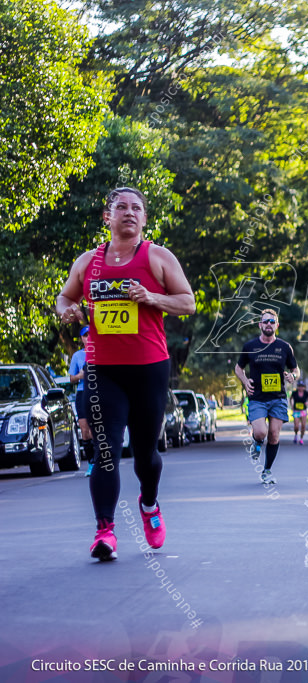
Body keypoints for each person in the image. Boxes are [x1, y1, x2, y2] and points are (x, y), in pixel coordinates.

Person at [56, 187, 196, 561]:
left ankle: (149, 504)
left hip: (149, 368)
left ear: (145, 218)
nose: (129, 213)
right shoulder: (88, 262)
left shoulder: (158, 257)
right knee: (106, 451)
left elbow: (187, 302)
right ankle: (105, 532)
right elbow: (64, 298)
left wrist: (152, 298)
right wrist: (68, 311)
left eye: (137, 208)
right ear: (108, 217)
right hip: (103, 369)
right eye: (121, 207)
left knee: (146, 454)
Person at [234, 309, 299, 484]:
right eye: (265, 321)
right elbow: (238, 368)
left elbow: (295, 369)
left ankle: (267, 470)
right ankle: (256, 443)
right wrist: (245, 381)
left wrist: (293, 377)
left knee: (274, 435)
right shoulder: (250, 347)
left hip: (278, 398)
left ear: (277, 325)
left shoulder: (285, 347)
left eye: (272, 321)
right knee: (261, 432)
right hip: (257, 397)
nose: (268, 324)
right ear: (260, 325)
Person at [68, 326, 96, 476]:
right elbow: (71, 378)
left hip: (98, 393)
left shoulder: (101, 353)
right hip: (82, 393)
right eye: (85, 336)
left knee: (96, 430)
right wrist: (80, 375)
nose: (88, 338)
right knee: (85, 431)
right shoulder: (77, 356)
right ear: (81, 339)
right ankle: (91, 463)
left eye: (91, 335)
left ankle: (100, 462)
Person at [291, 380, 308, 444]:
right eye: (299, 386)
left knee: (303, 425)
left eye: (302, 386)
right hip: (296, 411)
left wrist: (307, 403)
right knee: (296, 426)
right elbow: (291, 398)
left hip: (303, 411)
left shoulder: (306, 393)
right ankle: (296, 434)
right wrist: (292, 405)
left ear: (304, 387)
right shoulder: (294, 393)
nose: (301, 388)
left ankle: (301, 438)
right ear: (298, 387)